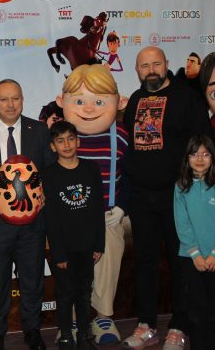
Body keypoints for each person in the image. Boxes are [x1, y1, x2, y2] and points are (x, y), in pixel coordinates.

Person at [122, 46, 210, 350]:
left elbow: (203, 144)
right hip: (141, 196)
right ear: (137, 70)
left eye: (156, 64)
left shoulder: (187, 98)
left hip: (178, 195)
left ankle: (178, 326)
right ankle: (146, 325)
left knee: (179, 260)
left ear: (166, 64)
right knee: (144, 261)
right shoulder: (135, 100)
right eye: (144, 65)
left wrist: (195, 188)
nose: (151, 70)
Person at [0, 79, 55, 350]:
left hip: (32, 225)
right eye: (3, 99)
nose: (10, 104)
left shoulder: (39, 131)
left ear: (23, 100)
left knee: (32, 279)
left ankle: (32, 330)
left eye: (15, 98)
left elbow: (51, 170)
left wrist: (45, 192)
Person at [56, 64, 129, 344]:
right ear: (62, 102)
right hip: (73, 216)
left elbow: (134, 176)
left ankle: (103, 316)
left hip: (108, 213)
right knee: (73, 262)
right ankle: (74, 318)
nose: (88, 108)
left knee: (110, 247)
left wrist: (122, 207)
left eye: (98, 102)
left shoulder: (121, 136)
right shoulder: (60, 139)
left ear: (118, 103)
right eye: (79, 101)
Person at [42, 121, 105, 350]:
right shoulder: (49, 175)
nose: (66, 144)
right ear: (53, 146)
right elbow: (50, 217)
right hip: (64, 248)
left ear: (78, 141)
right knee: (65, 293)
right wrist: (58, 252)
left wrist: (99, 244)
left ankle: (85, 334)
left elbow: (98, 208)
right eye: (60, 141)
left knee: (84, 292)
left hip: (87, 245)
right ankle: (66, 334)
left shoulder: (91, 169)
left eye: (70, 139)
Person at [173, 135, 215, 350]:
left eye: (205, 154)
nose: (200, 159)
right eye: (194, 154)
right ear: (187, 158)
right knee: (195, 312)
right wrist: (195, 254)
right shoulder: (181, 186)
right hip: (190, 258)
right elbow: (182, 223)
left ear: (213, 158)